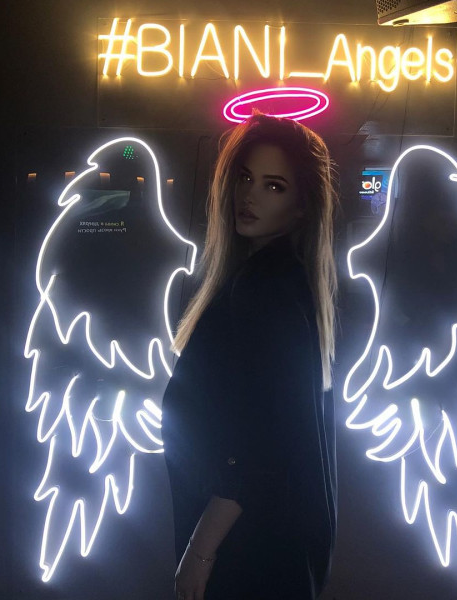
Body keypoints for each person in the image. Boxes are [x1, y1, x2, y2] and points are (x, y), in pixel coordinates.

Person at [161, 112, 338, 600]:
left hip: (248, 548)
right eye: (244, 178)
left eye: (274, 185)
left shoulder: (265, 289)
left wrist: (201, 551)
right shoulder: (276, 280)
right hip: (265, 539)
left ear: (302, 207)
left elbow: (262, 445)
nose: (250, 195)